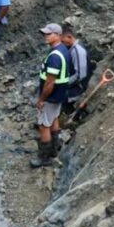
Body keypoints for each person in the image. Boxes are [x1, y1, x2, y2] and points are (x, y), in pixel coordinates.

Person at [31, 23, 72, 168]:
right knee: (54, 119)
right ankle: (55, 149)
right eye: (45, 33)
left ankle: (45, 157)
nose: (45, 36)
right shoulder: (63, 50)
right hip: (59, 95)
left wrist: (42, 99)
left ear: (57, 35)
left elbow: (50, 82)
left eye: (49, 34)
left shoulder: (54, 56)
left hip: (51, 96)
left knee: (43, 125)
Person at [62, 25, 92, 119]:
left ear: (70, 37)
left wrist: (64, 83)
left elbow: (80, 75)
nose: (62, 44)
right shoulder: (72, 49)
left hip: (80, 87)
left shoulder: (78, 51)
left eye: (63, 41)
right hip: (75, 83)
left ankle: (76, 117)